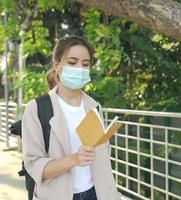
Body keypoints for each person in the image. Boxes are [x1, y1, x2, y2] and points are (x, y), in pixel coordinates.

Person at [21, 35, 122, 200]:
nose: (80, 69)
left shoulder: (94, 106)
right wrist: (74, 159)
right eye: (73, 62)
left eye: (86, 64)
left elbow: (103, 162)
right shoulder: (38, 108)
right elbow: (35, 166)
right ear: (57, 65)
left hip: (97, 194)